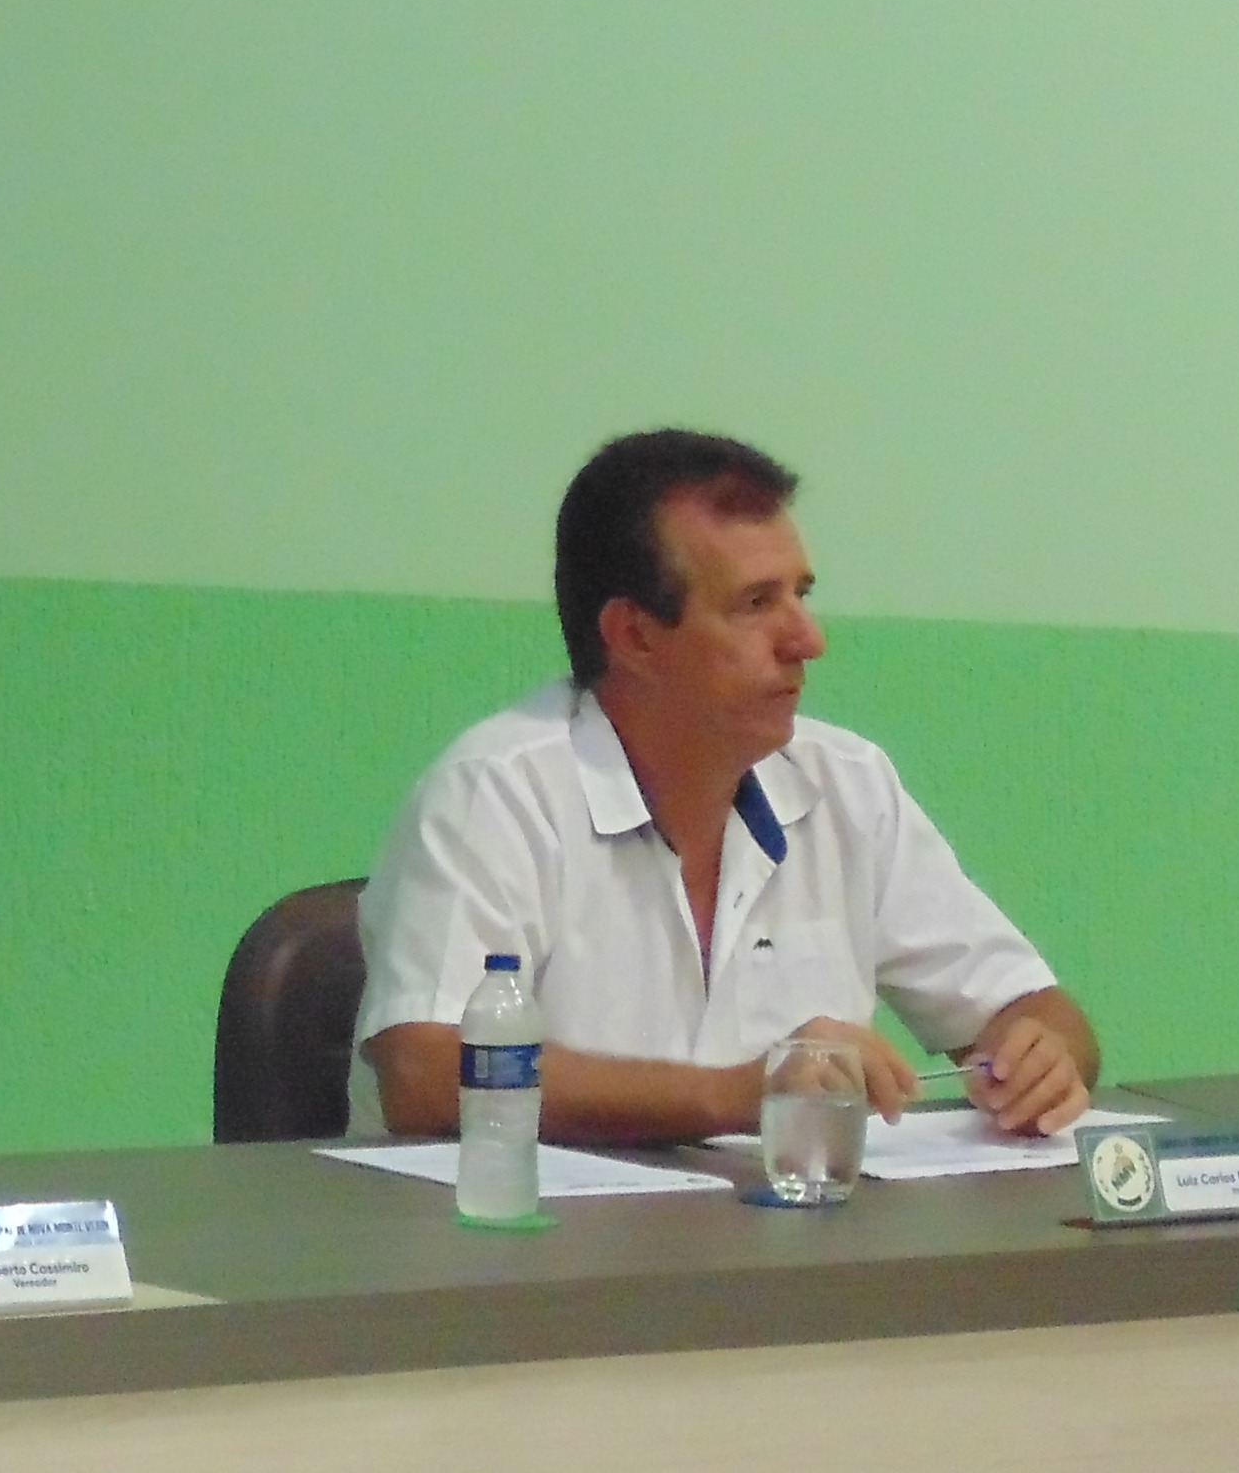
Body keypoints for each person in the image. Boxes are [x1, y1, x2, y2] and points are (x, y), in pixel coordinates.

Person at [352, 430, 1098, 1145]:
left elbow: (1035, 1008)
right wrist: (737, 1095)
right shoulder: (496, 794)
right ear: (635, 637)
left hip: (780, 1227)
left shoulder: (847, 785)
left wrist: (1042, 1058)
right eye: (755, 604)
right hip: (527, 1231)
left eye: (801, 595)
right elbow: (424, 1073)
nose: (808, 640)